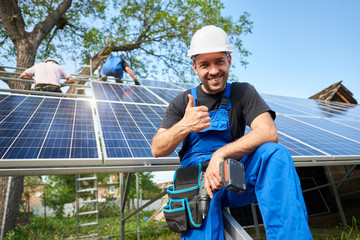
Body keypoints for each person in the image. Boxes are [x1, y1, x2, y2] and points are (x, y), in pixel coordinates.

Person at [151, 25, 312, 240]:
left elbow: (268, 132)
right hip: (198, 185)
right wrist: (185, 125)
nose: (214, 70)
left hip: (233, 176)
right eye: (204, 65)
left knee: (274, 153)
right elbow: (157, 149)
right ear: (195, 67)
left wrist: (220, 155)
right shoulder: (182, 102)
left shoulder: (242, 92)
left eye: (219, 61)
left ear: (229, 60)